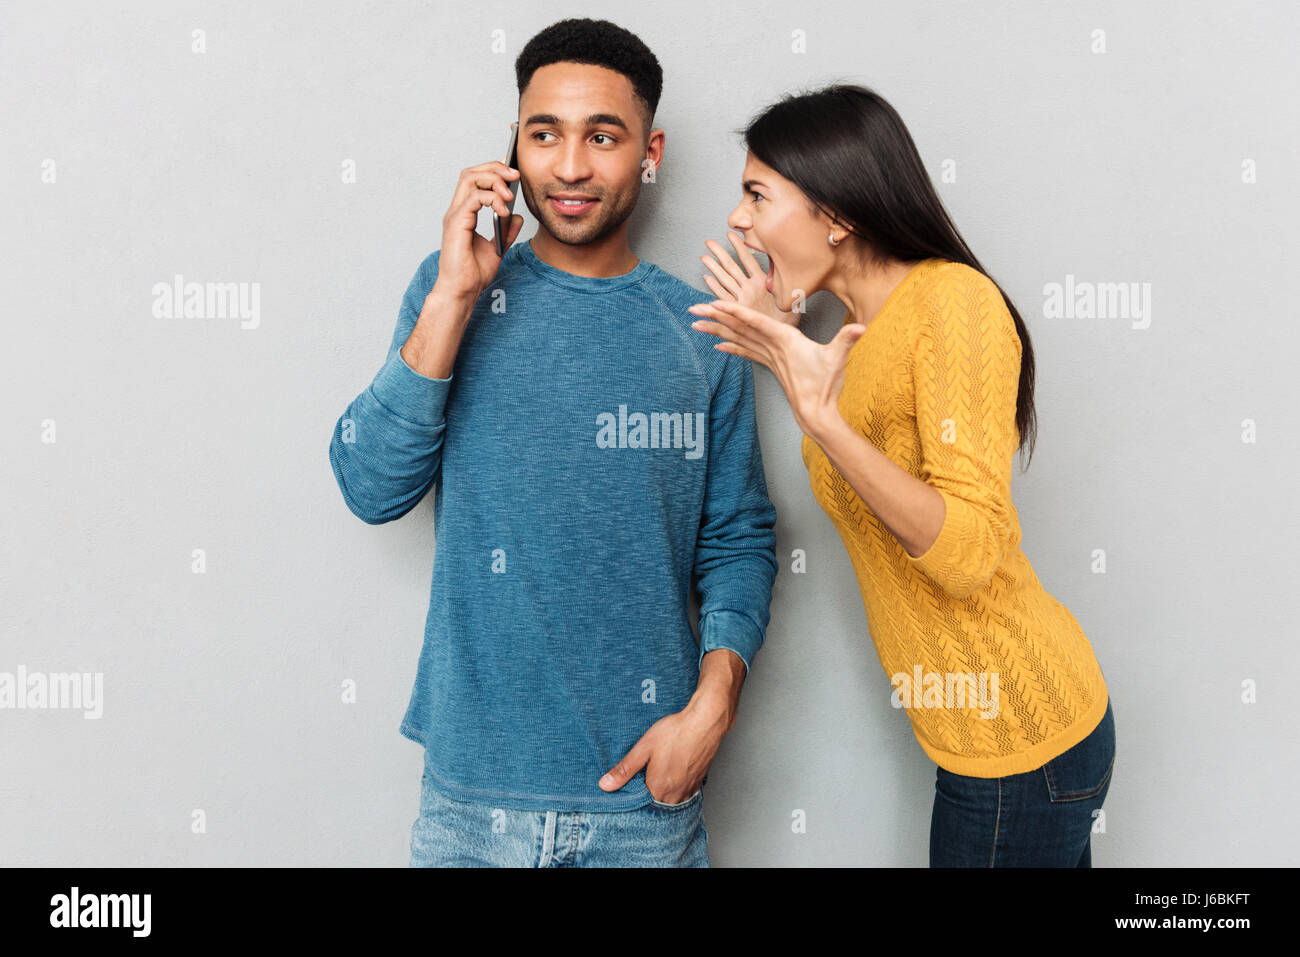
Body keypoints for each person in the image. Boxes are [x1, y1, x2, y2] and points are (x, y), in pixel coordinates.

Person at [328, 18, 777, 867]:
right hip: (469, 811)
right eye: (545, 134)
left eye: (602, 136)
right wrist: (456, 297)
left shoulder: (701, 334)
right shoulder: (448, 291)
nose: (570, 166)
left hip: (641, 812)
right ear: (514, 149)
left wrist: (714, 706)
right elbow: (370, 486)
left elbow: (739, 538)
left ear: (650, 151)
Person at [689, 84, 1115, 867]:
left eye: (756, 193)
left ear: (837, 215)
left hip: (1021, 740)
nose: (737, 219)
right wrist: (787, 349)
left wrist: (820, 418)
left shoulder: (953, 304)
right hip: (978, 739)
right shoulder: (855, 334)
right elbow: (867, 464)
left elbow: (968, 552)